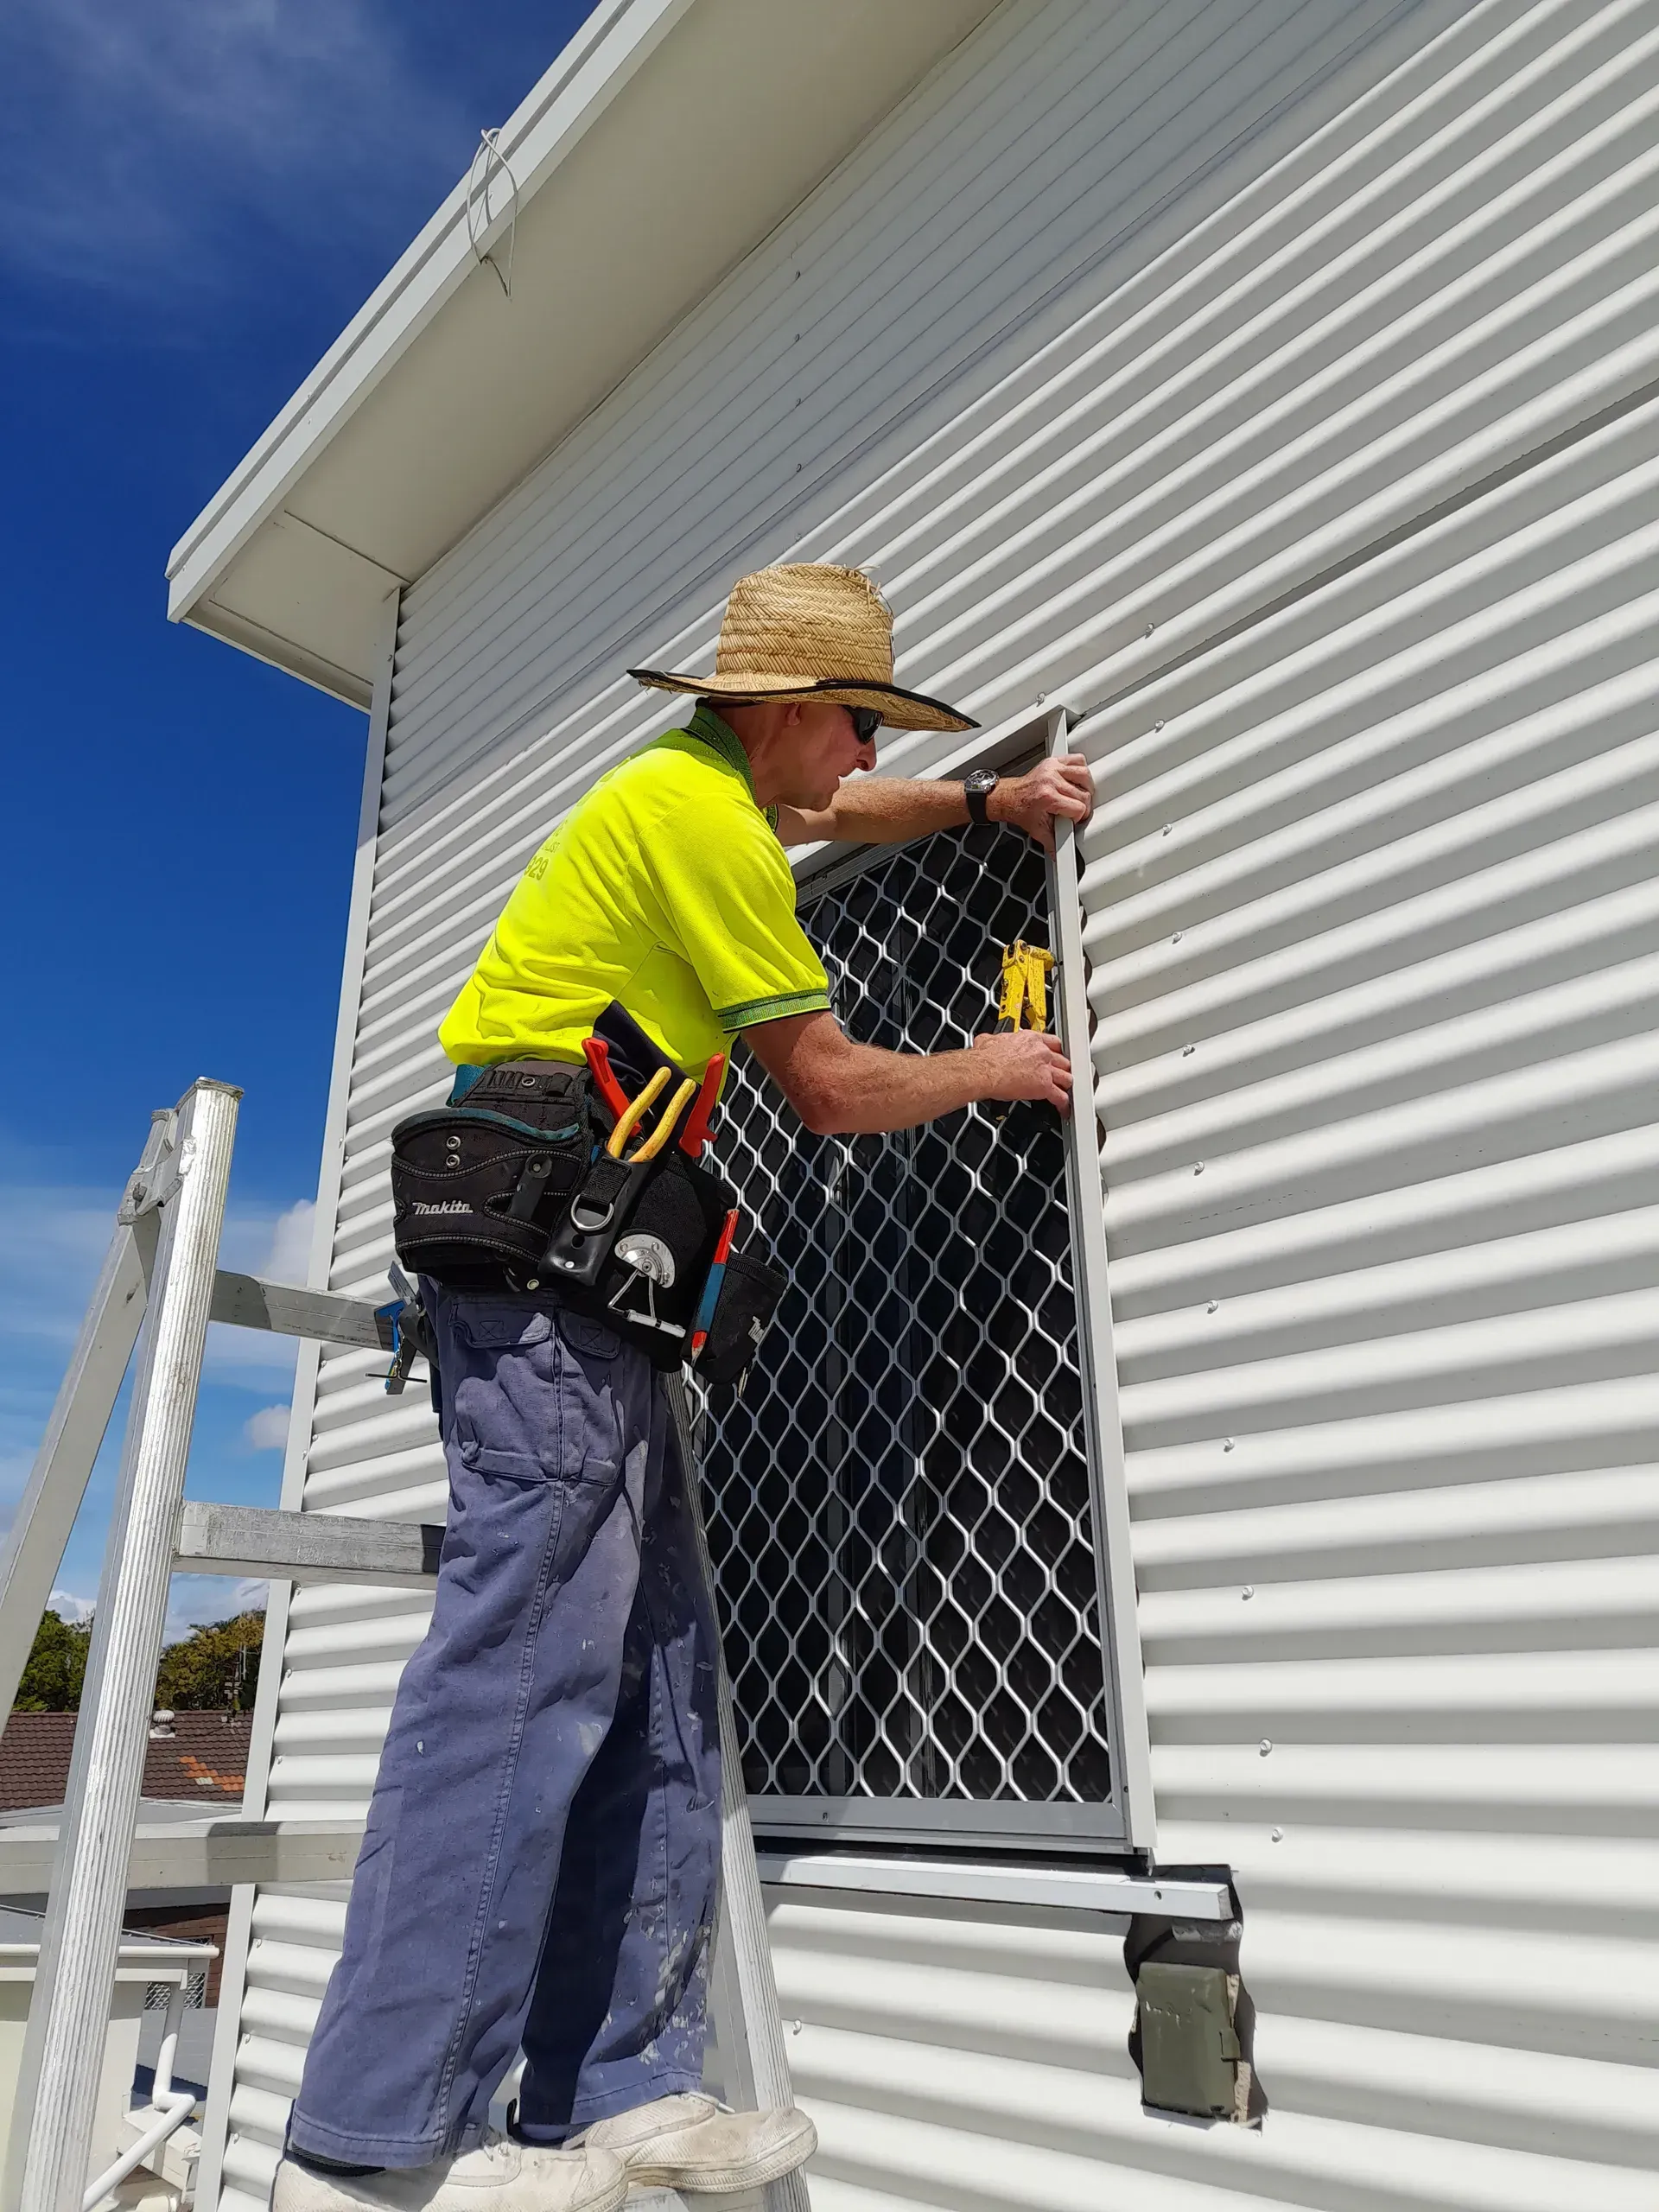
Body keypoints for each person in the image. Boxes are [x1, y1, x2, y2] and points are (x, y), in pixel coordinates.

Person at [275, 564, 1093, 2212]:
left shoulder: (710, 796)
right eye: (855, 720)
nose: (860, 761)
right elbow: (837, 1090)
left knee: (653, 1686)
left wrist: (989, 797)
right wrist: (1001, 1064)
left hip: (594, 1300)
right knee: (522, 1678)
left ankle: (617, 2092)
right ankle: (381, 2145)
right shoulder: (700, 817)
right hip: (540, 1282)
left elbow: (846, 807)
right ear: (790, 711)